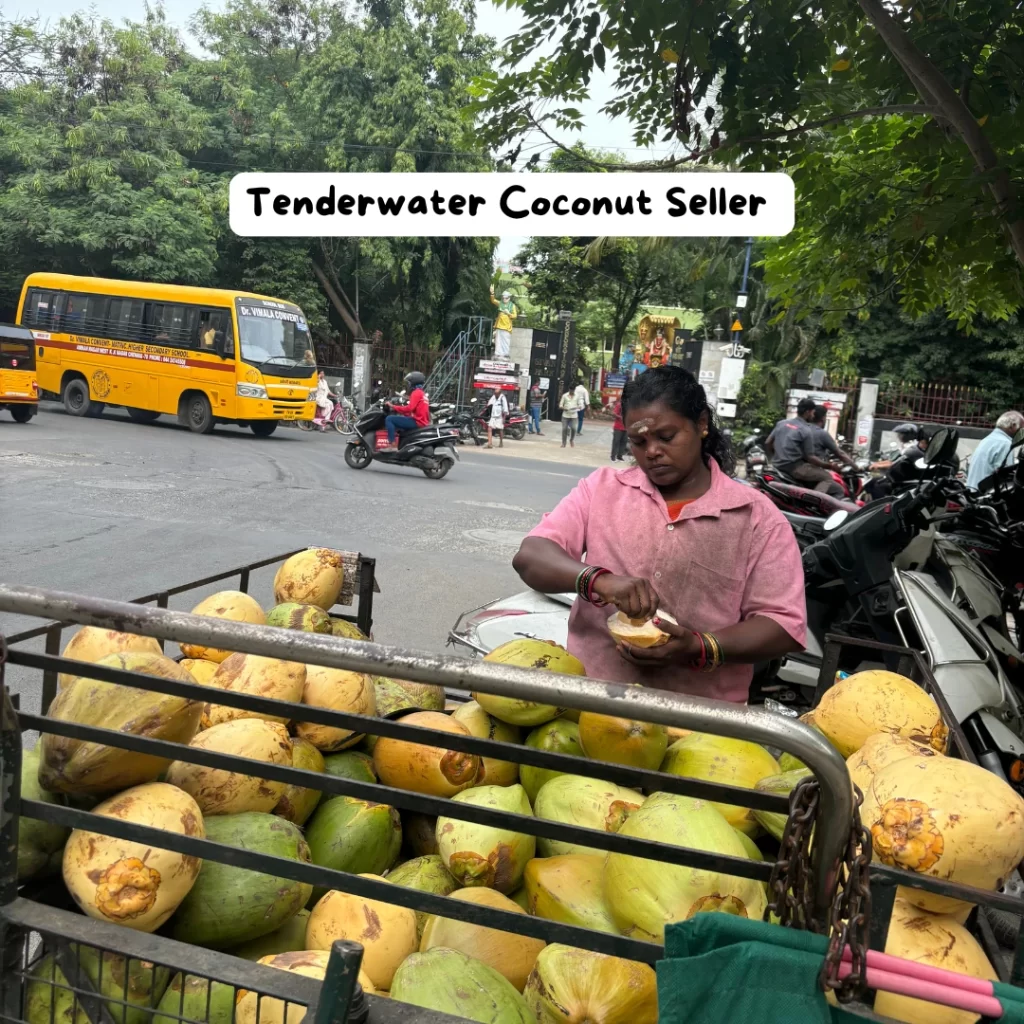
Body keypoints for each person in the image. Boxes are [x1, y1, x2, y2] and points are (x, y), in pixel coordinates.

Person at [511, 365, 806, 700]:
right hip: (591, 702)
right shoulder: (602, 489)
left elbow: (783, 625)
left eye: (666, 437)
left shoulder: (755, 516)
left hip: (700, 723)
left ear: (702, 425)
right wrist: (598, 580)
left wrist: (700, 646)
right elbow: (531, 556)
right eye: (639, 441)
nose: (651, 451)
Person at [764, 398, 854, 498]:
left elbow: (768, 443)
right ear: (807, 412)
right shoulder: (805, 430)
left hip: (777, 465)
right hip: (795, 468)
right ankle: (812, 500)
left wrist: (777, 456)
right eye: (812, 412)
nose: (813, 415)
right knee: (827, 477)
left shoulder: (781, 423)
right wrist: (830, 466)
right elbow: (811, 458)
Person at [967, 410, 1024, 489]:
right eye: (1022, 429)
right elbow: (1006, 479)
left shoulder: (988, 439)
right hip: (985, 495)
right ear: (1012, 426)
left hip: (972, 490)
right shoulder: (1005, 444)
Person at [383, 371, 429, 448]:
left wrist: (393, 406)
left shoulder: (416, 393)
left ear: (413, 382)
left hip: (417, 422)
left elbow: (409, 408)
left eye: (409, 382)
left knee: (389, 419)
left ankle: (392, 445)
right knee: (402, 420)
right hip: (422, 421)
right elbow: (414, 410)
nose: (408, 384)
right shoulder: (422, 393)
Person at [489, 286, 518, 358]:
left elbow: (515, 316)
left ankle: (505, 354)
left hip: (506, 326)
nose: (505, 299)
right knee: (498, 340)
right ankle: (498, 353)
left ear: (509, 298)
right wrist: (492, 293)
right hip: (499, 325)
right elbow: (493, 301)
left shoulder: (512, 306)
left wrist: (508, 313)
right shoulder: (500, 303)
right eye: (503, 298)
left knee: (506, 340)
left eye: (506, 298)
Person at [610, 397, 628, 461]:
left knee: (624, 442)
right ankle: (613, 456)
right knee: (616, 442)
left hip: (626, 427)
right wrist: (620, 417)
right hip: (618, 427)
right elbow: (613, 413)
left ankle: (620, 456)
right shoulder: (619, 405)